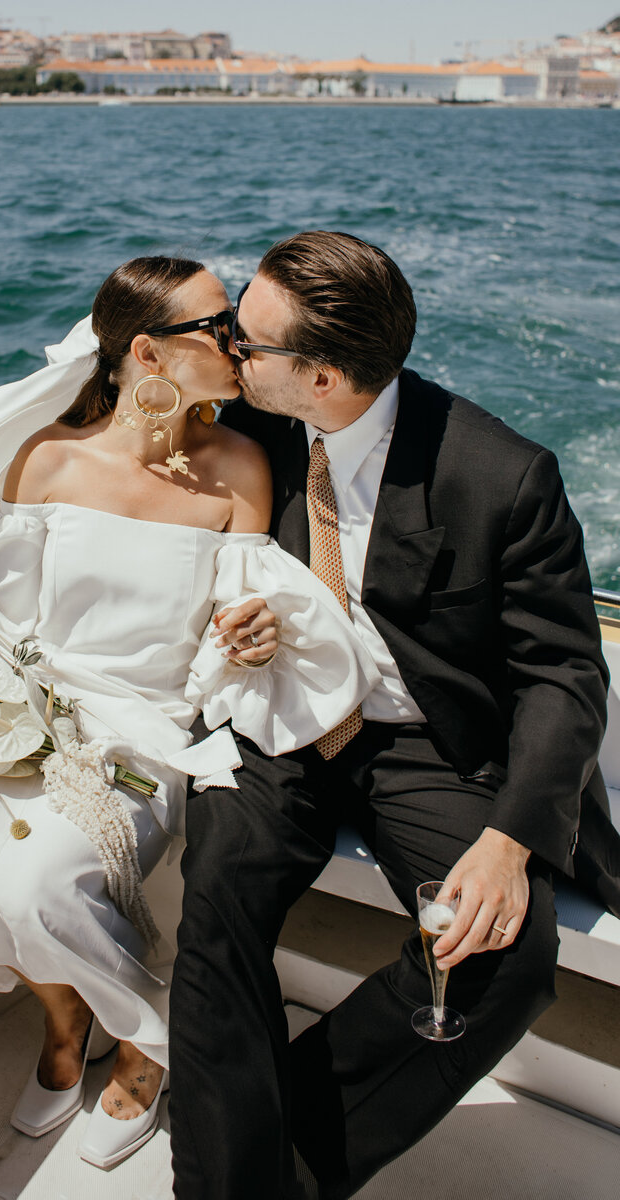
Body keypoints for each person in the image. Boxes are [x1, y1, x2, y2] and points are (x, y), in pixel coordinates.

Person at [0, 255, 379, 1171]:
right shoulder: (45, 458)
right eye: (215, 327)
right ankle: (66, 1019)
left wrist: (246, 639)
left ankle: (149, 1043)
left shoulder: (240, 466)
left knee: (42, 884)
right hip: (29, 709)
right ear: (147, 355)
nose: (236, 339)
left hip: (152, 726)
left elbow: (235, 620)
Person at [168, 230, 620, 1199]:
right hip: (283, 710)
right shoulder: (256, 431)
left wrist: (507, 840)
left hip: (430, 746)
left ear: (322, 377)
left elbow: (564, 677)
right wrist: (242, 626)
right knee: (216, 882)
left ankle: (268, 1163)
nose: (228, 354)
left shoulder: (502, 477)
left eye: (248, 343)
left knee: (503, 955)